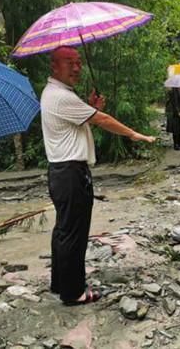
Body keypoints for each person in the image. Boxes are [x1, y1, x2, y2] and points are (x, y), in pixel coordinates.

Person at [40, 46, 155, 306]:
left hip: (61, 172)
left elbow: (85, 120)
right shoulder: (60, 97)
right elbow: (102, 120)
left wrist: (90, 107)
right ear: (54, 67)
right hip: (70, 173)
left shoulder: (57, 94)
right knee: (74, 234)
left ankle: (61, 283)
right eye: (70, 63)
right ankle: (74, 292)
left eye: (79, 62)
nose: (77, 68)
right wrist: (134, 134)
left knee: (64, 230)